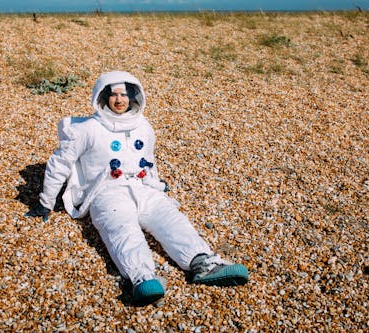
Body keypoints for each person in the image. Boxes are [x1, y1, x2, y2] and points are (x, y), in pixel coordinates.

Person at [25, 71, 248, 306]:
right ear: (101, 97)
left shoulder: (143, 126)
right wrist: (45, 202)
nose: (119, 100)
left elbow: (148, 160)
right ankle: (142, 277)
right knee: (122, 230)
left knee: (172, 220)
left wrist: (157, 184)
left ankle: (202, 262)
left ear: (133, 96)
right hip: (106, 192)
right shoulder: (86, 130)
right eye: (113, 95)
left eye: (124, 94)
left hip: (142, 188)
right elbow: (59, 164)